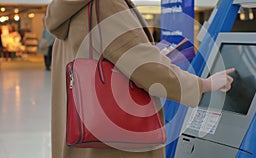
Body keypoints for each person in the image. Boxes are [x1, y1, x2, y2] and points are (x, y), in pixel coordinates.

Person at [45, 0, 234, 158]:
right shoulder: (105, 4)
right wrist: (204, 84)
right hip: (113, 144)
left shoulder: (67, 9)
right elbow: (148, 69)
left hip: (82, 137)